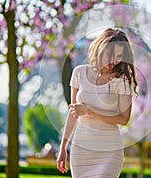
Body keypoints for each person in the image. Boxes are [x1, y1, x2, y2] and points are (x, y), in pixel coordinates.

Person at [56, 28, 138, 177]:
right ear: (100, 48)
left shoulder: (123, 80)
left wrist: (89, 112)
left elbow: (124, 119)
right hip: (81, 149)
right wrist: (63, 148)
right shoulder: (79, 73)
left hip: (109, 151)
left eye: (119, 56)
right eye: (110, 54)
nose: (114, 60)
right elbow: (73, 113)